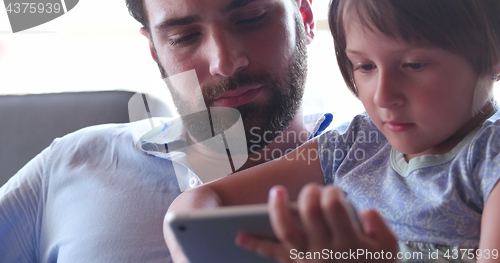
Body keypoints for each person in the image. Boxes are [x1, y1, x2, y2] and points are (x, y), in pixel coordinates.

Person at [166, 0, 500, 262]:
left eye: (414, 65)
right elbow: (203, 199)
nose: (383, 96)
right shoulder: (356, 142)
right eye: (365, 67)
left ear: (493, 56)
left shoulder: (489, 158)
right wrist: (192, 247)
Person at [0, 0, 323, 262]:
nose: (223, 62)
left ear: (305, 17)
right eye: (183, 37)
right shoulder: (76, 160)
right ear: (155, 51)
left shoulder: (368, 163)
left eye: (252, 19)